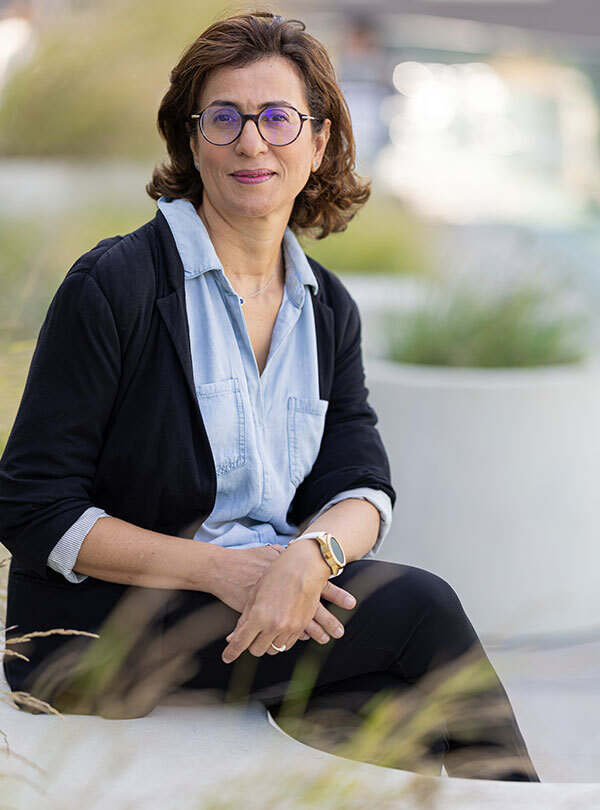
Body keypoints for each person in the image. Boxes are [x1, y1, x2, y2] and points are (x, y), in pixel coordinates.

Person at [0, 10, 539, 781]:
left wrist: (310, 560)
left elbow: (360, 486)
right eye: (225, 118)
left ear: (319, 143)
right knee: (422, 608)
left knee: (387, 708)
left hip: (267, 608)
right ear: (193, 141)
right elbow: (31, 505)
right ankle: (528, 800)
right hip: (102, 631)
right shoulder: (116, 286)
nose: (253, 141)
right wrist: (220, 570)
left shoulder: (325, 309)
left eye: (278, 118)